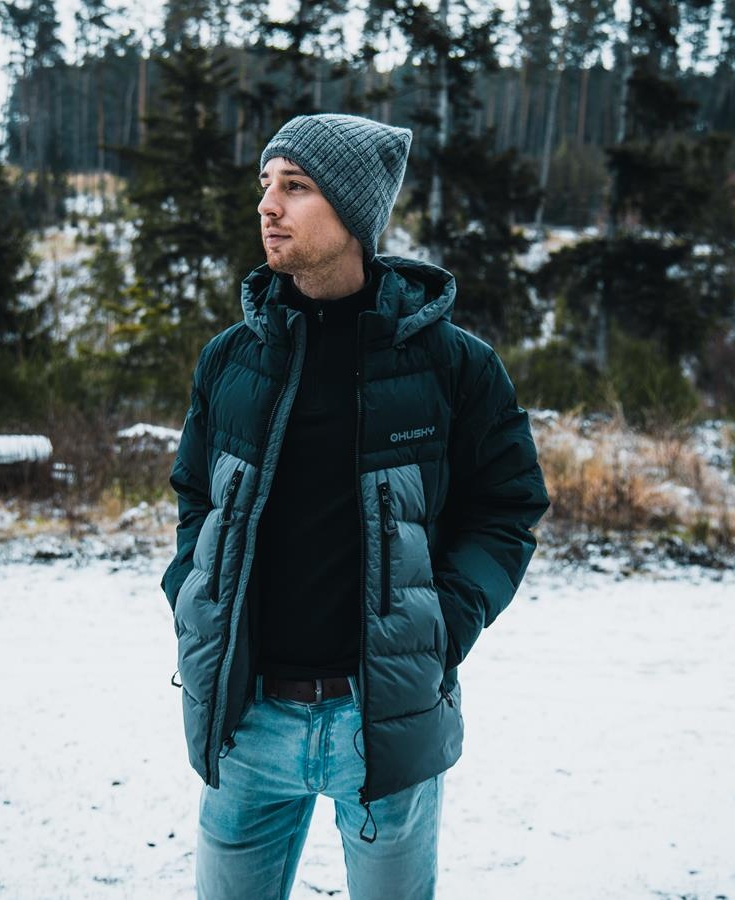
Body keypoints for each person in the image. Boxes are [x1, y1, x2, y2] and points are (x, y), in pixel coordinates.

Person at [160, 112, 550, 900]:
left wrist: (445, 624)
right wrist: (194, 597)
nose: (268, 205)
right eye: (266, 185)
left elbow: (507, 508)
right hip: (247, 721)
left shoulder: (452, 366)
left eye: (296, 186)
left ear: (354, 212)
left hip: (382, 722)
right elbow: (196, 495)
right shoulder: (232, 359)